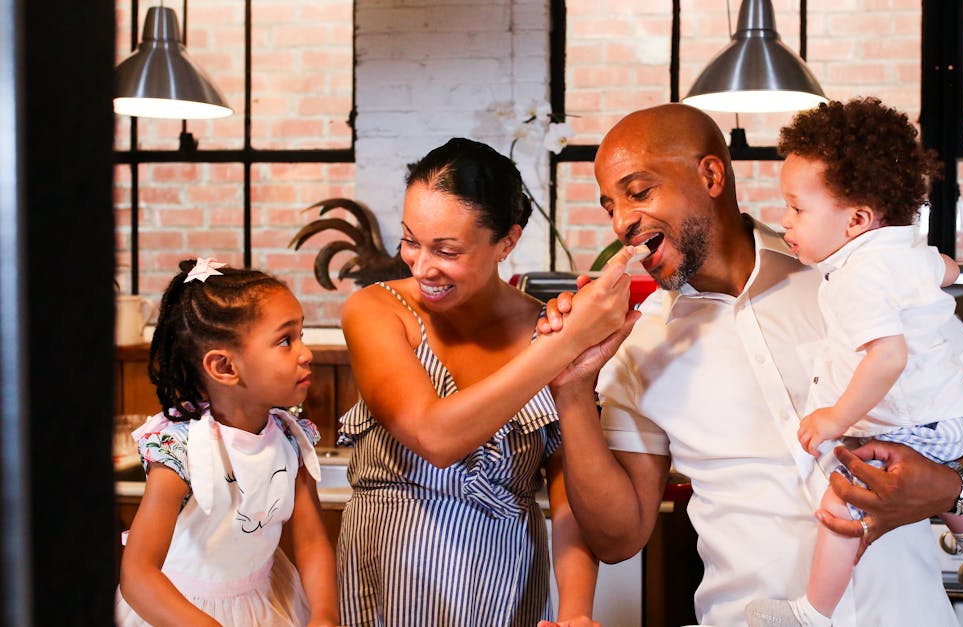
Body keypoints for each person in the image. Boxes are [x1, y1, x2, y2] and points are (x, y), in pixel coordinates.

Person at [540, 103, 963, 626]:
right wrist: (571, 386)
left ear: (711, 175)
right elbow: (618, 537)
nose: (620, 222)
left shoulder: (851, 268)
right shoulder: (640, 345)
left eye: (638, 192)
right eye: (609, 205)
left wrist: (953, 485)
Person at [334, 137, 638, 626]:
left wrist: (576, 612)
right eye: (411, 240)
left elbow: (568, 500)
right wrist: (562, 346)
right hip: (390, 573)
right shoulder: (377, 309)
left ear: (507, 242)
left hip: (507, 583)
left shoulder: (549, 327)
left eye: (447, 250)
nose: (422, 265)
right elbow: (435, 437)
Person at [742, 98, 963, 627]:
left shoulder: (857, 279)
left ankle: (813, 612)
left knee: (843, 500)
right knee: (941, 478)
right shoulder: (903, 252)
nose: (785, 221)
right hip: (954, 419)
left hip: (922, 423)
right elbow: (946, 267)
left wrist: (834, 418)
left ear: (857, 218)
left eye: (797, 208)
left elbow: (887, 357)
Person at [115, 257, 338, 626]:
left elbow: (312, 543)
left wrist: (325, 616)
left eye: (302, 335)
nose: (306, 352)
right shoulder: (179, 450)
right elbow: (138, 574)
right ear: (224, 367)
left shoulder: (291, 440)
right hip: (179, 613)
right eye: (286, 340)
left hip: (267, 603)